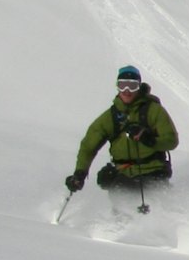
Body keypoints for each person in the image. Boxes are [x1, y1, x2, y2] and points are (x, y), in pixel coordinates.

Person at [65, 65, 179, 195]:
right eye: (122, 85)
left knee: (133, 192)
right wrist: (80, 173)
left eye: (132, 86)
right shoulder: (111, 117)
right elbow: (88, 146)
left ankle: (161, 212)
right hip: (123, 173)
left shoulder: (153, 111)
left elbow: (171, 140)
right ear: (117, 86)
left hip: (153, 170)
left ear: (139, 87)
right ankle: (121, 213)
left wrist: (150, 140)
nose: (127, 90)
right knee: (113, 184)